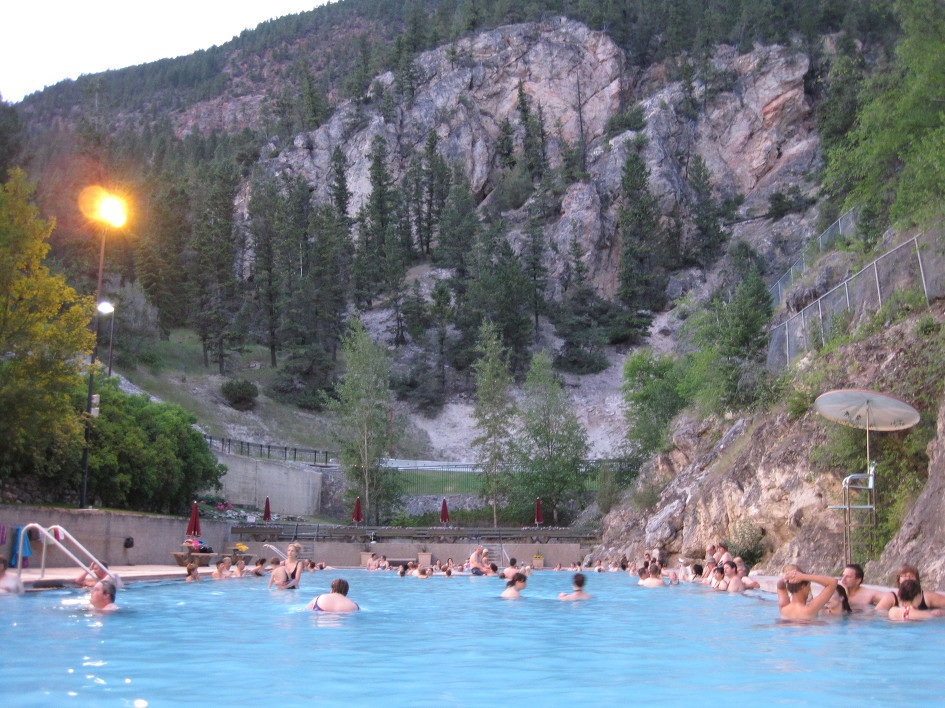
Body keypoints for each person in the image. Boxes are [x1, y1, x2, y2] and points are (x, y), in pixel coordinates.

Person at [875, 564, 945, 612]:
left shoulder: (927, 596)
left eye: (911, 576)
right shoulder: (891, 597)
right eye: (904, 576)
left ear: (917, 580)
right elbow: (876, 613)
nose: (908, 579)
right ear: (899, 580)